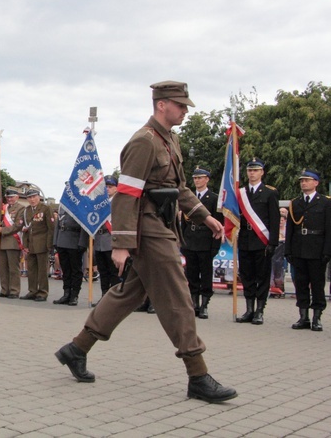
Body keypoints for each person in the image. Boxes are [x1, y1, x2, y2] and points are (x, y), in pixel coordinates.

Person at [55, 81, 237, 403]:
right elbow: (127, 194)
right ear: (161, 105)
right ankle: (197, 374)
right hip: (148, 230)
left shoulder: (170, 141)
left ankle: (76, 348)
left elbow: (179, 188)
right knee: (178, 298)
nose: (184, 110)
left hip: (161, 226)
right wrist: (122, 242)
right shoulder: (143, 142)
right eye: (180, 105)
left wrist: (204, 216)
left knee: (128, 293)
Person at [285, 169, 331, 331]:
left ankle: (317, 317)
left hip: (317, 249)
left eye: (307, 180)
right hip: (299, 248)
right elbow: (290, 229)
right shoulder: (295, 203)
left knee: (317, 284)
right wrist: (288, 250)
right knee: (301, 284)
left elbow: (328, 229)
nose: (304, 183)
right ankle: (303, 317)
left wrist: (327, 251)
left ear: (316, 182)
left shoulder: (325, 202)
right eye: (302, 181)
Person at [236, 158, 280, 325]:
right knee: (247, 276)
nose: (252, 173)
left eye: (255, 170)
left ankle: (260, 310)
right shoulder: (241, 193)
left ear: (262, 172)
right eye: (250, 170)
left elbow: (274, 220)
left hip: (262, 241)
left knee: (262, 276)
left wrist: (272, 243)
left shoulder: (270, 192)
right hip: (245, 239)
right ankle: (249, 309)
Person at [181, 167, 222, 319]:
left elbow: (218, 224)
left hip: (205, 241)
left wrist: (215, 246)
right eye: (195, 178)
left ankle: (204, 305)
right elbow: (183, 222)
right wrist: (183, 242)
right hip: (190, 240)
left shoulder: (213, 198)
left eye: (200, 178)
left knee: (205, 274)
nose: (197, 181)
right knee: (191, 274)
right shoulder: (189, 198)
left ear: (207, 179)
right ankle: (194, 304)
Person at [17, 188, 54, 301]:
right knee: (31, 269)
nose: (32, 199)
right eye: (29, 197)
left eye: (34, 197)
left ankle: (42, 292)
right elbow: (26, 228)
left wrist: (49, 245)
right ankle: (32, 291)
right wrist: (25, 245)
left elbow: (51, 228)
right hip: (31, 245)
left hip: (42, 244)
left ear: (39, 197)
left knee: (42, 270)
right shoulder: (26, 210)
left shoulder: (46, 208)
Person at [93, 176, 119, 306]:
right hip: (99, 239)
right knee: (103, 271)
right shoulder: (99, 203)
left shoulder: (118, 202)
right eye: (105, 187)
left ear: (116, 188)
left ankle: (113, 299)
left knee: (113, 271)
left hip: (111, 239)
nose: (107, 189)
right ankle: (104, 296)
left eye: (110, 187)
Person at [53, 206, 87, 306]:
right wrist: (56, 240)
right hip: (62, 240)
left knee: (76, 270)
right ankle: (66, 293)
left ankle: (74, 295)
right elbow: (57, 225)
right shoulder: (63, 207)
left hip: (74, 241)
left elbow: (84, 226)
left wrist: (82, 242)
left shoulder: (81, 206)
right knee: (66, 269)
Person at [0, 187, 23, 298]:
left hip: (13, 241)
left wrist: (2, 230)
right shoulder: (3, 208)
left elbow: (18, 225)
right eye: (8, 197)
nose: (9, 199)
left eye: (12, 197)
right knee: (3, 268)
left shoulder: (21, 208)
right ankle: (5, 289)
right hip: (2, 242)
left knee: (13, 269)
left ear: (17, 197)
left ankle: (14, 291)